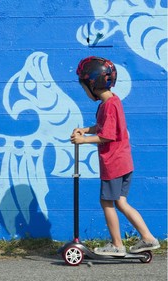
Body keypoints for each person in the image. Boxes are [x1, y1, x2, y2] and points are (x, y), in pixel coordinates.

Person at [70, 56, 160, 256]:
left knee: (107, 202)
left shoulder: (108, 105)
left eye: (84, 86)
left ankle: (117, 244)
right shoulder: (112, 102)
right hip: (124, 162)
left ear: (92, 84)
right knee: (121, 201)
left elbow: (107, 135)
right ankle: (148, 238)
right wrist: (86, 129)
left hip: (113, 163)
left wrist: (83, 141)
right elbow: (106, 128)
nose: (85, 91)